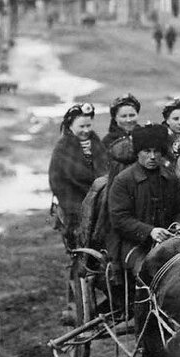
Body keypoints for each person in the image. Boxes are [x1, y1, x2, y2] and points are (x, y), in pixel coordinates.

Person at [106, 123, 180, 274]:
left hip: (168, 242)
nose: (152, 156)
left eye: (157, 151)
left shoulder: (170, 179)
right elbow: (119, 218)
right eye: (147, 151)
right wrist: (150, 231)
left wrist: (179, 225)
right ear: (137, 153)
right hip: (134, 244)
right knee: (150, 272)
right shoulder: (123, 180)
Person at [48, 102, 108, 249]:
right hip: (73, 201)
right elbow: (65, 179)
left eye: (88, 125)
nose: (86, 130)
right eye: (81, 126)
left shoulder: (95, 142)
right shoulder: (63, 147)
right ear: (70, 126)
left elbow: (105, 168)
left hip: (97, 198)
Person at [104, 94, 141, 178]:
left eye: (132, 115)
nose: (128, 120)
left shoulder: (146, 136)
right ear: (115, 118)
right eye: (123, 116)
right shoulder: (108, 141)